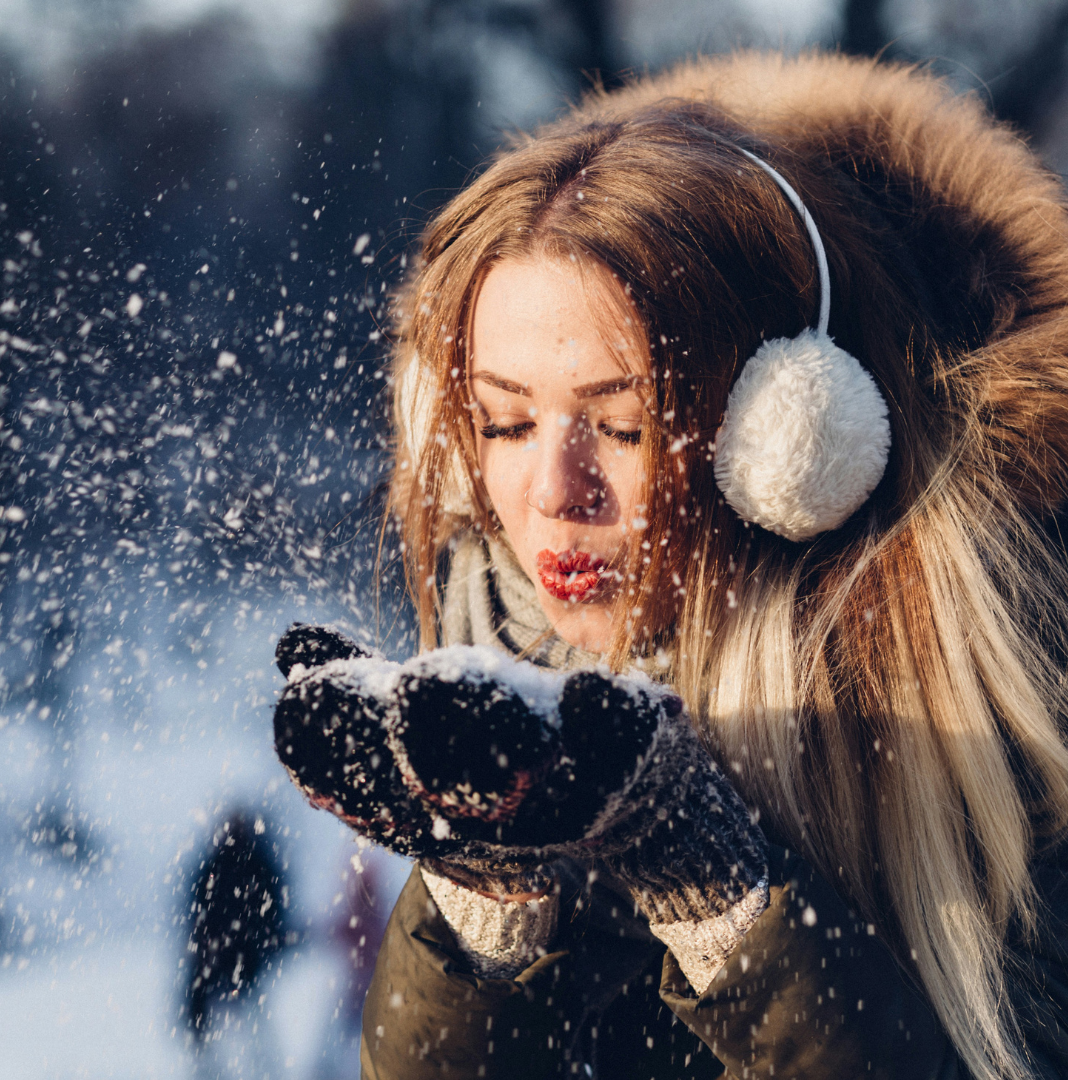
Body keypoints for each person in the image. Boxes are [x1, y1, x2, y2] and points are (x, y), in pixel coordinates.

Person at [272, 51, 1068, 1079]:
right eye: (505, 422)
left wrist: (723, 899)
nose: (557, 491)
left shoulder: (1015, 712)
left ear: (788, 436)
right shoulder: (506, 664)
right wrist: (486, 909)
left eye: (622, 423)